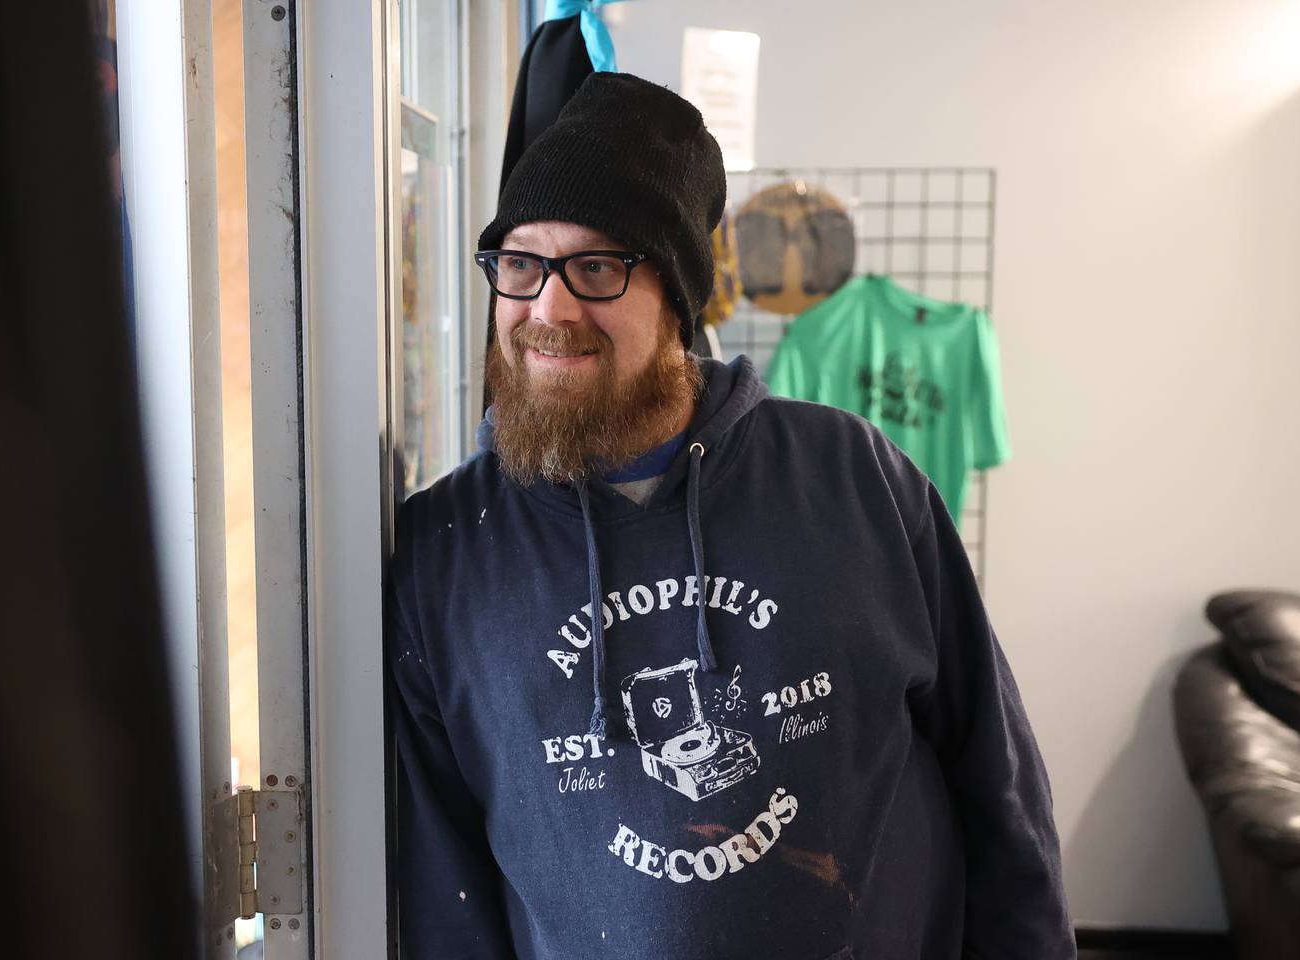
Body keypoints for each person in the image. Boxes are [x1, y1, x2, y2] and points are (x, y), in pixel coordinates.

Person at [387, 72, 1074, 960]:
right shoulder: (444, 552)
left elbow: (998, 781)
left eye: (597, 267)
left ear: (676, 300)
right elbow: (445, 890)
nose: (547, 309)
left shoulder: (855, 479)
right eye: (519, 264)